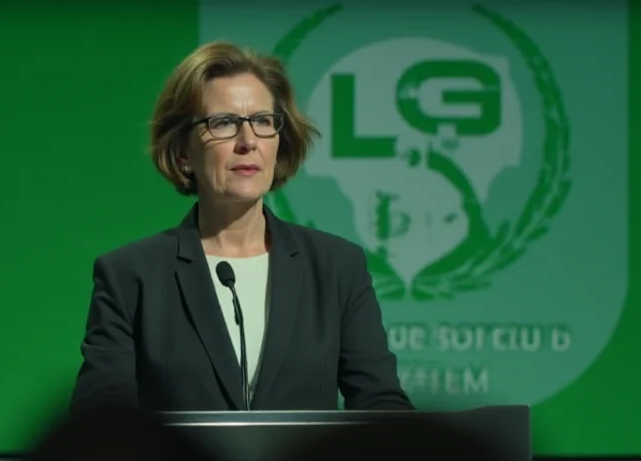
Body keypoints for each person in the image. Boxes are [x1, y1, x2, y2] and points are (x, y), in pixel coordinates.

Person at [71, 41, 414, 413]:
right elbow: (100, 426)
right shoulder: (131, 276)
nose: (248, 142)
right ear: (184, 151)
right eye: (224, 123)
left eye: (263, 121)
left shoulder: (335, 267)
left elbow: (382, 406)